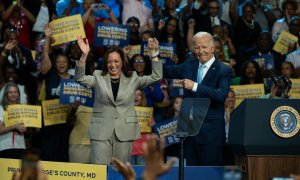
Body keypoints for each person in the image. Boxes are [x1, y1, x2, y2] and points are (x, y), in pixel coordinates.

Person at [75, 37, 162, 165]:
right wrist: (84, 56)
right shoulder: (98, 76)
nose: (113, 65)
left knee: (120, 171)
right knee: (101, 171)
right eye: (109, 61)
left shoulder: (133, 78)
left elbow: (156, 76)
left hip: (125, 131)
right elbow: (80, 78)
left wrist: (154, 54)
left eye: (116, 61)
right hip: (100, 131)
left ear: (122, 61)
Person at [163, 32, 233, 166]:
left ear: (213, 48)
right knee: (191, 174)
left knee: (210, 175)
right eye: (197, 47)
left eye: (204, 47)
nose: (200, 51)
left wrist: (195, 86)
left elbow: (221, 95)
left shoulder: (224, 70)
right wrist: (154, 56)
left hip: (211, 135)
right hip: (189, 132)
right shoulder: (190, 64)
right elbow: (166, 71)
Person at [0, 82, 26, 159]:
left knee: (19, 171)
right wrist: (14, 126)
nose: (13, 94)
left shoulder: (23, 108)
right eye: (10, 92)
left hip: (20, 146)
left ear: (18, 94)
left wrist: (24, 129)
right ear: (6, 94)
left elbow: (25, 129)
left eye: (15, 92)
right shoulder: (1, 109)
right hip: (5, 147)